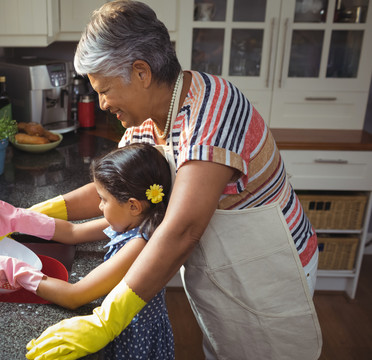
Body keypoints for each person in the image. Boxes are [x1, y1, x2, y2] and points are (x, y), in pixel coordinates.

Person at [18, 1, 323, 359]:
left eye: (105, 90)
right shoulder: (146, 122)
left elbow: (182, 229)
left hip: (265, 271)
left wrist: (106, 320)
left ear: (141, 73)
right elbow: (112, 188)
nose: (101, 103)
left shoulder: (214, 112)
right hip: (218, 269)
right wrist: (31, 217)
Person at [0, 143, 175, 359]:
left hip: (135, 343)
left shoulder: (138, 246)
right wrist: (18, 219)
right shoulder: (135, 223)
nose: (99, 207)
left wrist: (18, 273)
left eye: (103, 199)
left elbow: (74, 296)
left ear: (134, 205)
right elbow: (73, 232)